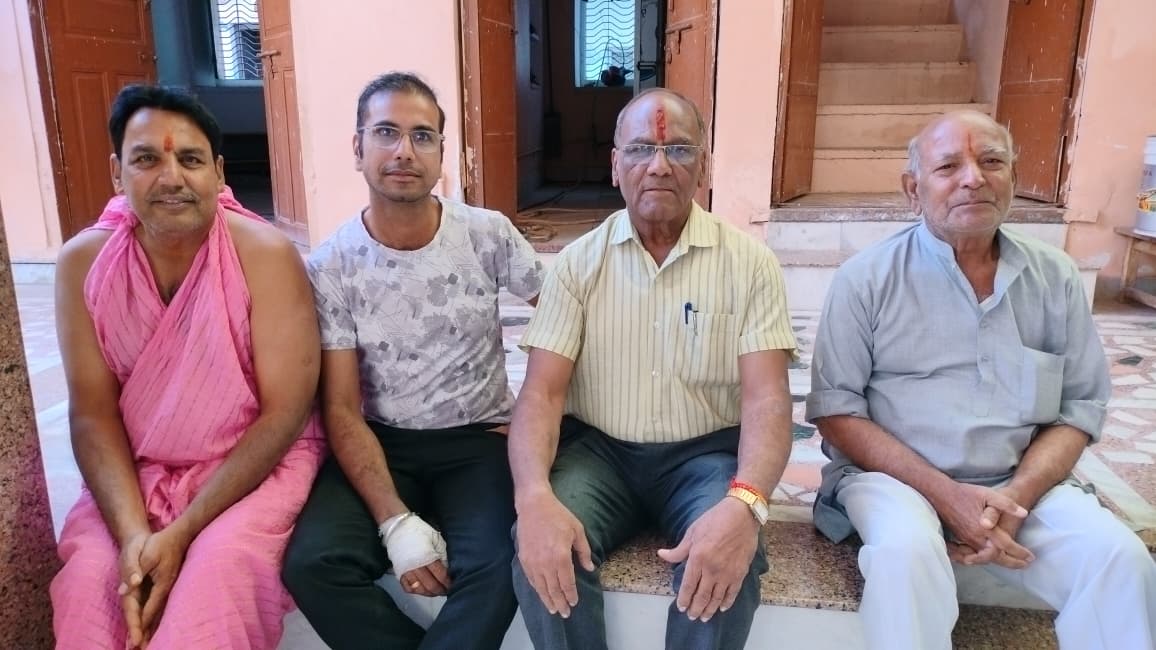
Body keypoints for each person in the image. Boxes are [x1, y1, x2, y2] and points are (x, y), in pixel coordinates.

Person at [806, 110, 1156, 650]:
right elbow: (836, 413)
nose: (974, 178)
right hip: (897, 484)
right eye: (948, 166)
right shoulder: (866, 279)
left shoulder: (1055, 276)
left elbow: (1079, 410)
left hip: (1021, 486)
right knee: (904, 557)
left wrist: (1016, 496)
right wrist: (948, 497)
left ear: (1013, 177)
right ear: (913, 189)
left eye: (992, 161)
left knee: (1121, 560)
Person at [508, 88, 797, 650]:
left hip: (704, 457)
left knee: (727, 557)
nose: (660, 166)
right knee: (541, 545)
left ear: (704, 167)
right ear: (615, 165)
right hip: (599, 456)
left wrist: (747, 501)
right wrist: (533, 497)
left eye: (679, 150)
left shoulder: (749, 264)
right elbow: (541, 395)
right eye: (641, 149)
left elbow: (767, 399)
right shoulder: (576, 265)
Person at [49, 84, 326, 649]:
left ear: (218, 173)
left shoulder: (264, 255)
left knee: (216, 582)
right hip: (138, 474)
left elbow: (285, 414)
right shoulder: (83, 263)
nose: (171, 177)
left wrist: (181, 532)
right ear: (117, 172)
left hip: (253, 471)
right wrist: (134, 536)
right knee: (87, 589)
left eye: (191, 160)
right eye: (147, 159)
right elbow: (92, 415)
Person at [280, 72, 542, 650]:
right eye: (386, 133)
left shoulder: (486, 234)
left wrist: (532, 412)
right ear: (357, 148)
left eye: (423, 136)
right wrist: (395, 522)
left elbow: (563, 323)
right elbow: (341, 408)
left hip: (478, 441)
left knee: (499, 566)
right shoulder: (332, 265)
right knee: (312, 564)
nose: (404, 151)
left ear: (441, 153)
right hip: (383, 443)